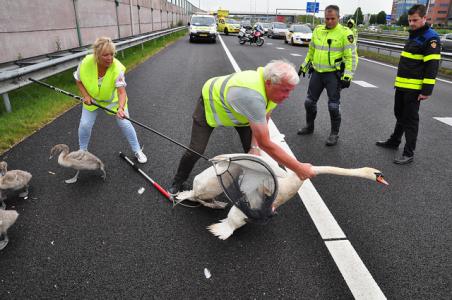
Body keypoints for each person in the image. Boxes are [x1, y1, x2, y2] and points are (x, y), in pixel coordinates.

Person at [168, 60, 316, 194]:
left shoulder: (274, 90)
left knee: (254, 153)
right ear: (269, 82)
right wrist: (298, 168)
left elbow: (265, 116)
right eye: (285, 90)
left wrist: (254, 147)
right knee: (196, 150)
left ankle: (255, 193)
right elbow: (266, 142)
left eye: (290, 90)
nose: (288, 95)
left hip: (243, 114)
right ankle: (178, 182)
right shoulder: (250, 95)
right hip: (211, 105)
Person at [376, 4, 441, 164]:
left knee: (410, 120)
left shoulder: (430, 38)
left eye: (415, 20)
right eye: (410, 20)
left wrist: (426, 90)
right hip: (402, 85)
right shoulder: (413, 34)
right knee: (400, 114)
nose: (411, 23)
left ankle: (409, 152)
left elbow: (432, 66)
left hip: (415, 87)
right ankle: (394, 141)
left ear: (424, 18)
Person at [74, 37, 147, 163]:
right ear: (97, 55)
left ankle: (137, 150)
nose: (110, 58)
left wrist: (121, 108)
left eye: (112, 54)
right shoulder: (85, 63)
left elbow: (121, 92)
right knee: (85, 124)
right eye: (105, 55)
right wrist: (85, 96)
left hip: (113, 101)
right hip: (92, 100)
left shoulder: (117, 69)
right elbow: (78, 80)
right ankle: (82, 151)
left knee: (124, 122)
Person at [297, 5, 358, 146]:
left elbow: (351, 57)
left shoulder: (345, 33)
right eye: (327, 18)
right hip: (317, 73)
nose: (329, 21)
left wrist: (347, 76)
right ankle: (309, 126)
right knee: (309, 102)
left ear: (338, 18)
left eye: (332, 18)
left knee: (333, 106)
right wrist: (304, 66)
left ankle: (334, 134)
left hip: (333, 75)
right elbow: (311, 51)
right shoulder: (318, 30)